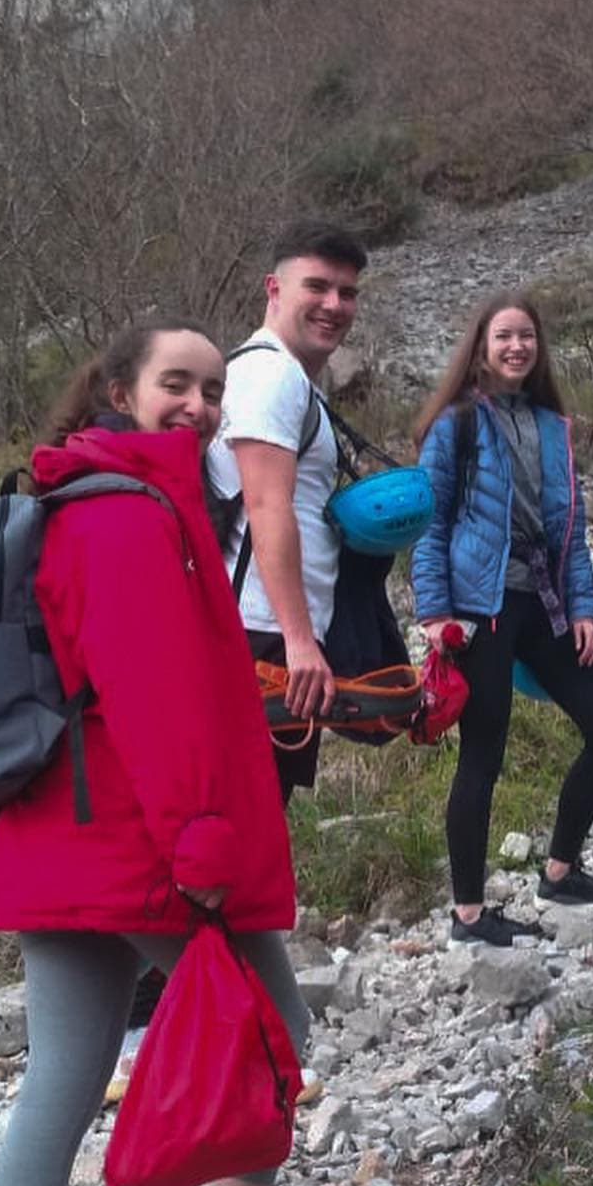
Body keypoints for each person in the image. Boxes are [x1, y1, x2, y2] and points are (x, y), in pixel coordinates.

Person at [0, 320, 312, 1186]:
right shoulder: (125, 510)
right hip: (139, 841)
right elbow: (157, 700)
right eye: (178, 384)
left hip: (59, 832)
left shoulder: (91, 496)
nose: (202, 407)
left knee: (62, 1072)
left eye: (215, 389)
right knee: (272, 1034)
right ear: (118, 388)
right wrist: (204, 854)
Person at [411, 293, 593, 948]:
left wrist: (585, 609)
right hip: (482, 607)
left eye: (526, 337)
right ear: (481, 346)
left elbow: (573, 528)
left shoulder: (550, 424)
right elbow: (431, 519)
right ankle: (470, 915)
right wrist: (434, 612)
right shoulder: (456, 423)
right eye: (504, 336)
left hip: (547, 602)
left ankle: (560, 871)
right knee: (483, 755)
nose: (516, 347)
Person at [205, 224, 368, 803]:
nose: (333, 305)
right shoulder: (272, 374)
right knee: (246, 816)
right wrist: (300, 642)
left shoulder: (287, 378)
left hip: (271, 630)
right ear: (274, 288)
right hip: (263, 637)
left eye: (346, 293)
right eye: (317, 287)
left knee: (257, 814)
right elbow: (266, 504)